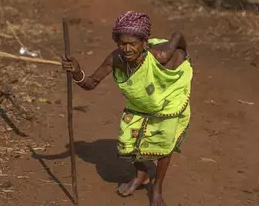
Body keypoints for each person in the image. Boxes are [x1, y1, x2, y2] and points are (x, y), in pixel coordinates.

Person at [62, 11, 192, 206]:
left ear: (144, 44)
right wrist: (76, 72)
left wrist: (185, 54)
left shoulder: (162, 55)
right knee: (126, 142)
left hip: (167, 99)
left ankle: (157, 189)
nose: (127, 49)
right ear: (117, 43)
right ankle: (142, 174)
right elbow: (90, 83)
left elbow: (178, 35)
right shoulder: (116, 59)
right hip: (141, 103)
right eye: (123, 44)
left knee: (164, 145)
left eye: (133, 44)